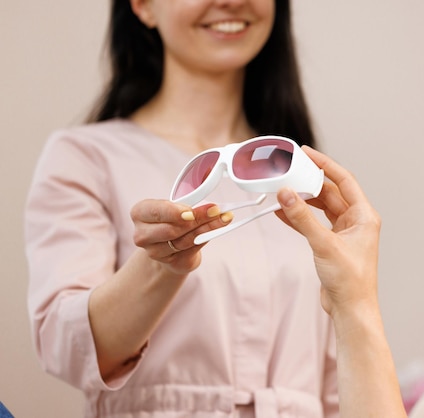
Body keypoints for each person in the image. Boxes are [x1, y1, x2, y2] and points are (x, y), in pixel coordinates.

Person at [25, 0, 348, 416]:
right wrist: (161, 265)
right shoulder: (86, 157)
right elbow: (66, 350)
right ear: (142, 6)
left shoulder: (299, 168)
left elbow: (338, 381)